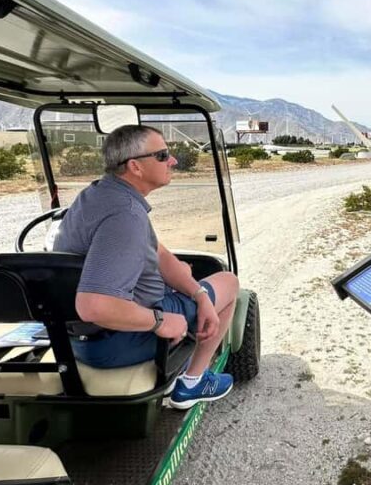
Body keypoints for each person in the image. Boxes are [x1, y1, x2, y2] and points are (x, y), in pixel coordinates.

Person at [54, 124, 239, 409]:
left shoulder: (101, 195)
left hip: (80, 337)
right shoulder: (125, 214)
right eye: (163, 155)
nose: (173, 160)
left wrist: (198, 294)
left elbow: (160, 253)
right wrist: (161, 321)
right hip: (116, 340)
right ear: (135, 167)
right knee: (229, 282)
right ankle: (192, 382)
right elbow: (93, 306)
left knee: (197, 286)